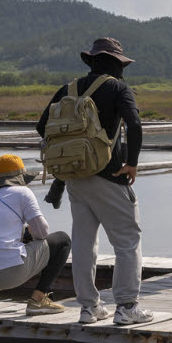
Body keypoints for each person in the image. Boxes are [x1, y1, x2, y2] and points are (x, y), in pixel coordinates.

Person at [36, 37, 152, 326]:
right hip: (110, 174)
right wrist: (132, 164)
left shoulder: (69, 88)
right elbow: (135, 124)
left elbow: (41, 126)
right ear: (116, 64)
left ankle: (89, 308)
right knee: (127, 240)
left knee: (85, 243)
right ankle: (126, 307)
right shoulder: (118, 88)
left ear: (92, 61)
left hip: (76, 176)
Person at [0, 154, 71, 316]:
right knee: (63, 240)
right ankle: (38, 300)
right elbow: (42, 232)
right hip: (9, 274)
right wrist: (29, 234)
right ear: (19, 177)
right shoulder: (22, 192)